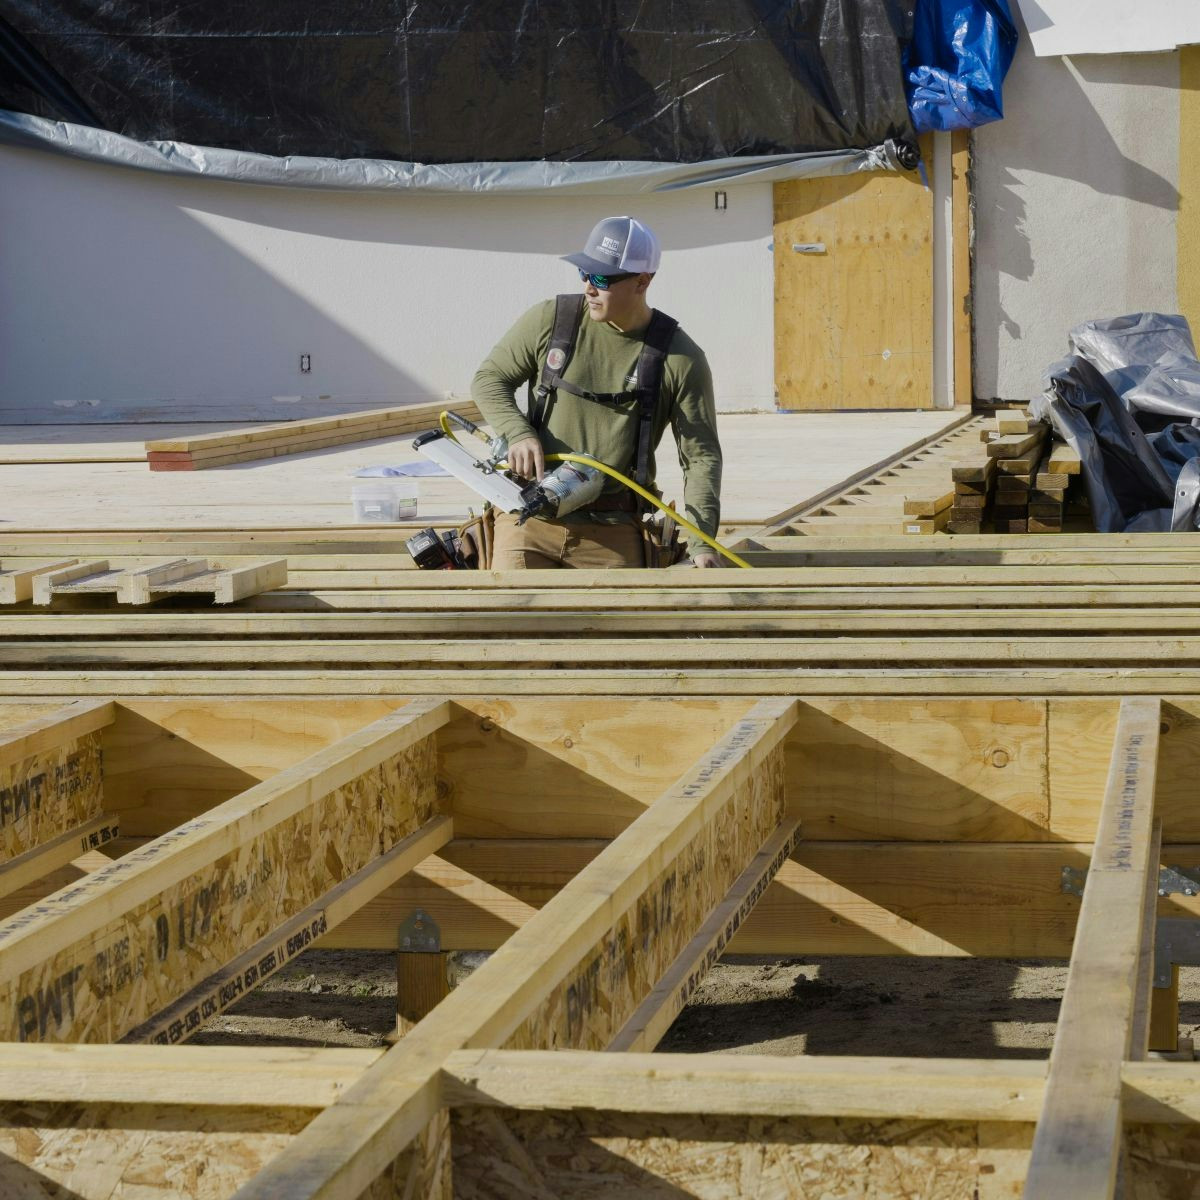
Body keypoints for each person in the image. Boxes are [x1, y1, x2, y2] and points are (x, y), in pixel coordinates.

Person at [470, 215, 723, 569]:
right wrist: (517, 433)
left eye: (602, 278)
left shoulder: (680, 358)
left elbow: (700, 458)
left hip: (613, 531)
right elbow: (489, 379)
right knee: (510, 604)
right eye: (585, 273)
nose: (589, 287)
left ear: (642, 281)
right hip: (527, 519)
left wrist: (702, 544)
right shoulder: (551, 321)